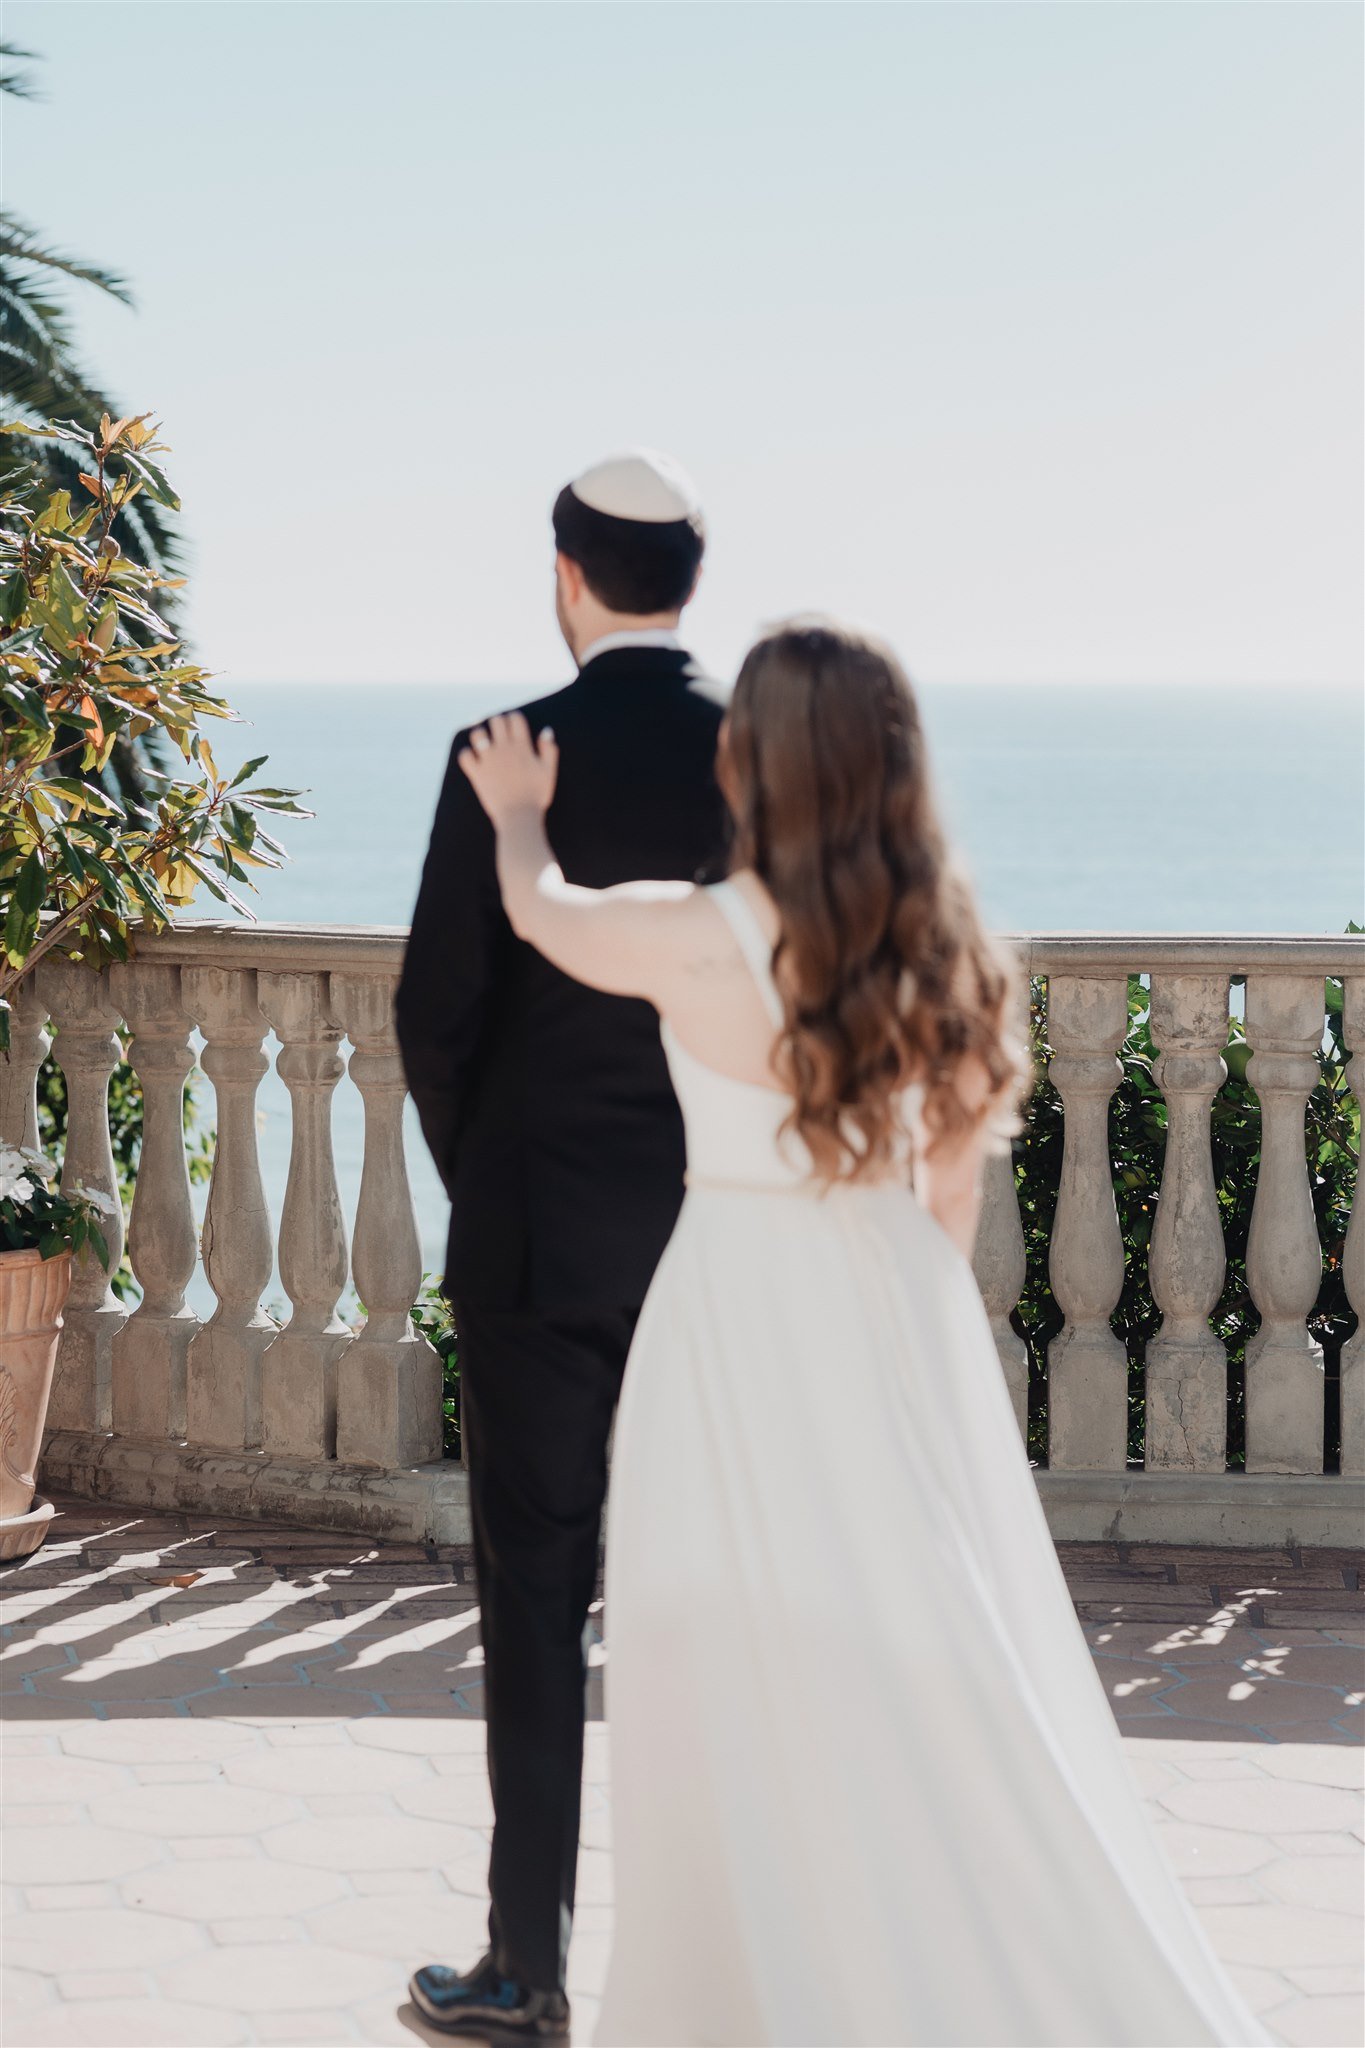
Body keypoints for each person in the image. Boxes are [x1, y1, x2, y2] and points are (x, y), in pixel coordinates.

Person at [452, 618, 1266, 2048]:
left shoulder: (695, 937)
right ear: (894, 771)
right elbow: (943, 1207)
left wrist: (520, 815)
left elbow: (538, 910)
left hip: (727, 1321)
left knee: (710, 1662)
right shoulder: (952, 963)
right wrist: (912, 1373)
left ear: (747, 763)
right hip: (886, 1314)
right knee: (920, 1659)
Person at [396, 451, 728, 2037]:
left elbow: (435, 1017)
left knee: (533, 1601)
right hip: (716, 1240)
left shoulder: (500, 751)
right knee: (723, 1596)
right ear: (689, 584)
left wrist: (494, 1184)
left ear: (564, 574)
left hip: (535, 1247)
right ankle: (732, 1958)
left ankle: (526, 1971)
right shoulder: (767, 755)